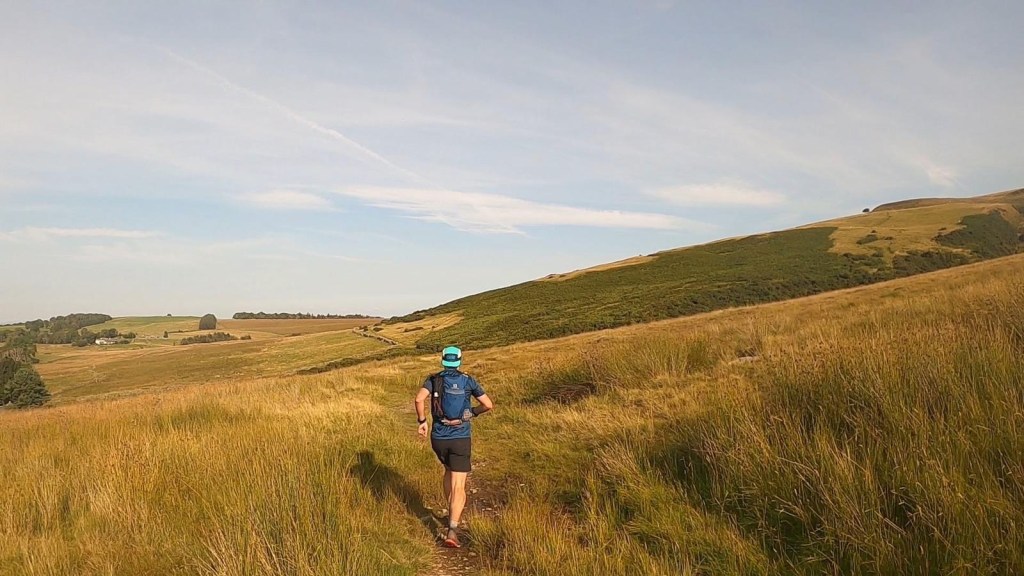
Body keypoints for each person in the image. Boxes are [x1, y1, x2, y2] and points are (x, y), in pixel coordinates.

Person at [414, 346, 493, 548]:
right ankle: (452, 529)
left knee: (448, 470)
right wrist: (472, 413)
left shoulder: (433, 379)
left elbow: (419, 399)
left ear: (443, 360)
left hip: (438, 438)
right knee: (459, 485)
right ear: (459, 360)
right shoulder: (468, 380)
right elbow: (488, 405)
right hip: (460, 437)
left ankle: (451, 512)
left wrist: (422, 421)